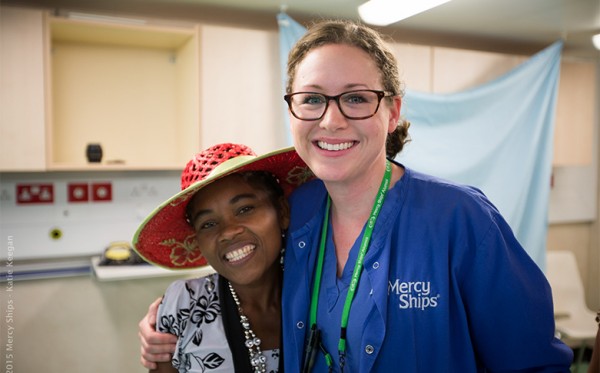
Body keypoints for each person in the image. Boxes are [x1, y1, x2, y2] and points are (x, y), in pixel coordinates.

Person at [140, 19, 574, 372]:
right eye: (311, 99)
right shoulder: (298, 214)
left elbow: (534, 364)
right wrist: (169, 318)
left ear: (393, 112)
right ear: (292, 111)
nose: (331, 120)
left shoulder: (461, 220)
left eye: (355, 98)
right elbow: (245, 274)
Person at [133, 143, 312, 372]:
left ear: (282, 212)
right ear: (197, 240)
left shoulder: (319, 297)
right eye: (208, 223)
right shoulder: (184, 307)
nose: (227, 232)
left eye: (245, 209)